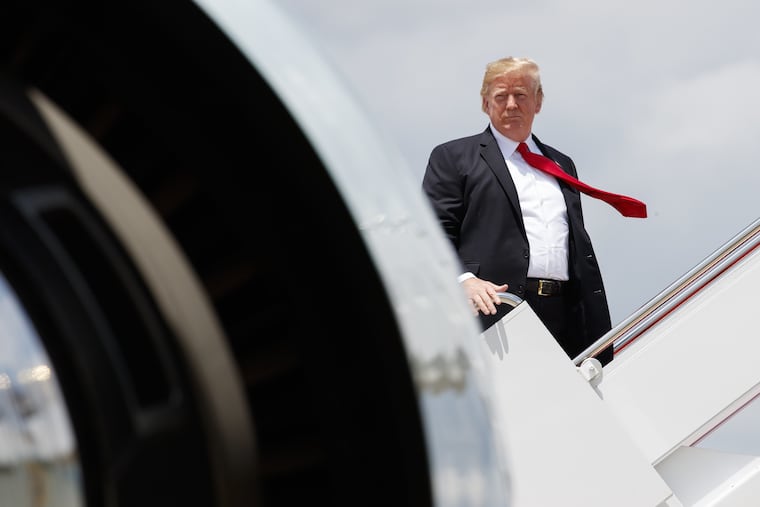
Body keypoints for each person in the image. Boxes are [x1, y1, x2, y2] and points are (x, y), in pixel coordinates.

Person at [422, 56, 646, 365]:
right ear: (485, 103)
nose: (511, 104)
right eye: (501, 96)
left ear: (538, 102)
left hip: (565, 312)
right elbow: (431, 233)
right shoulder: (453, 157)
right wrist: (464, 281)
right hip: (495, 310)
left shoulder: (561, 163)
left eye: (521, 95)